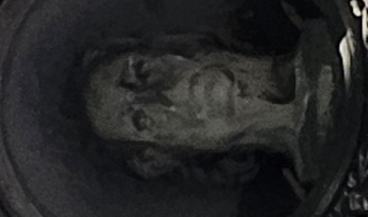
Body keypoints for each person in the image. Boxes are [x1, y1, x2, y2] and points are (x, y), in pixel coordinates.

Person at [80, 22, 343, 185]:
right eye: (142, 120)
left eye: (141, 72)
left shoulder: (322, 41)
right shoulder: (321, 172)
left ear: (172, 49)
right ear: (157, 158)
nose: (163, 96)